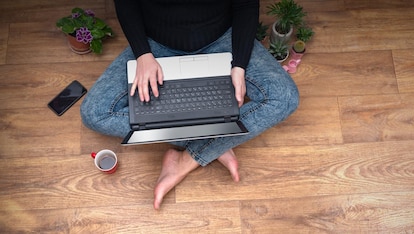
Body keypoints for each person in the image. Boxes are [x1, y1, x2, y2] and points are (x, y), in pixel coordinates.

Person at [80, 0, 299, 210]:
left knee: (285, 97)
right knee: (94, 113)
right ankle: (216, 143)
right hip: (155, 45)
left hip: (223, 40)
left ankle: (186, 160)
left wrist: (239, 64)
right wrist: (142, 54)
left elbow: (246, 4)